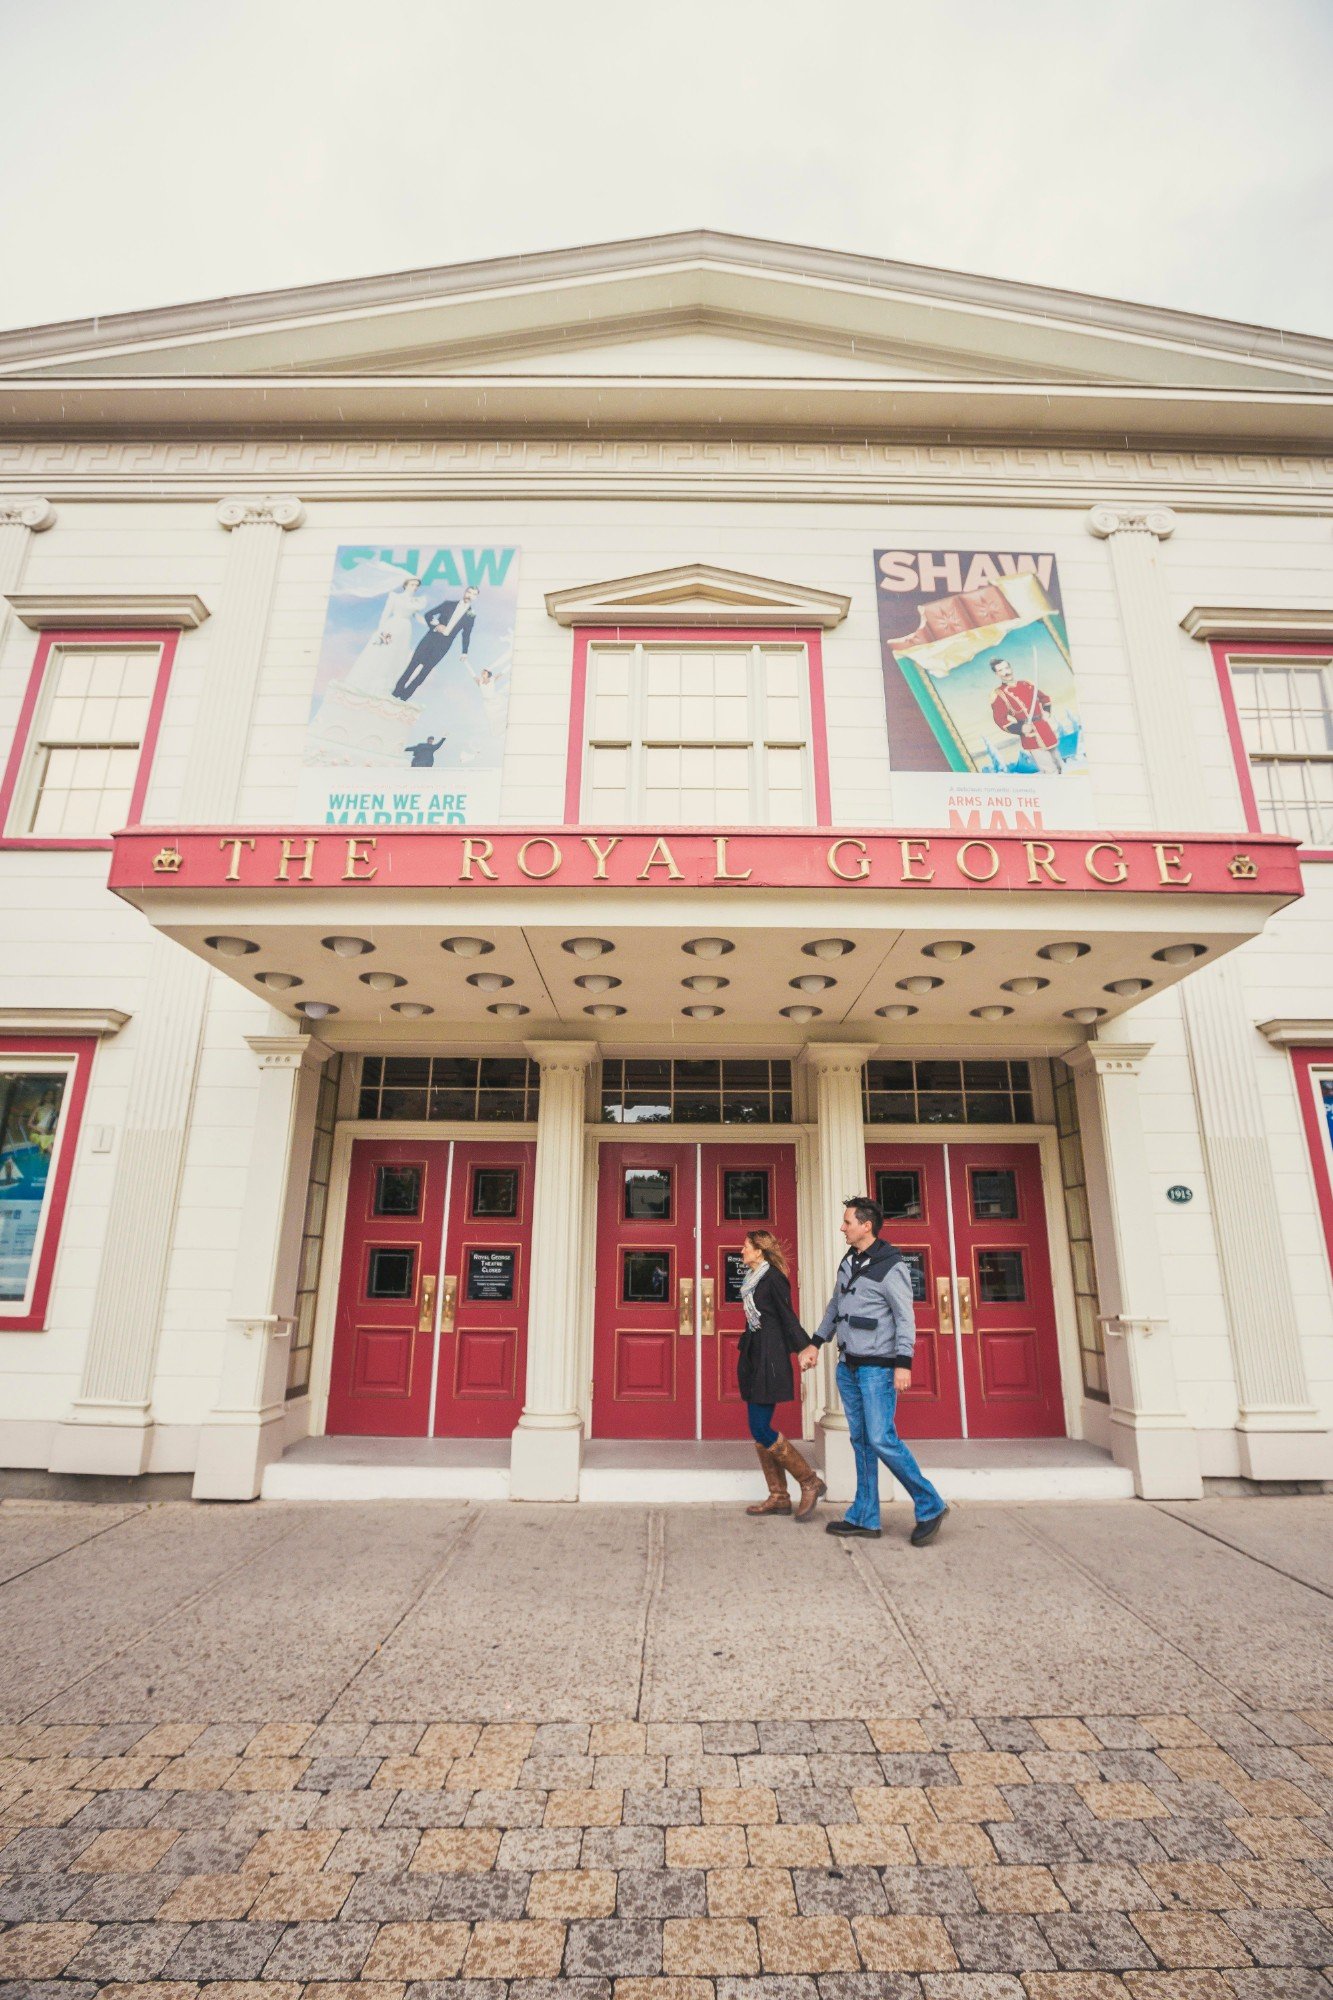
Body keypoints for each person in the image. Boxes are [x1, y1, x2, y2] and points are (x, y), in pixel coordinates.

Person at [798, 1195, 949, 1545]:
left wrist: (903, 1363)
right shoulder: (849, 1260)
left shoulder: (891, 1266)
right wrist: (816, 1342)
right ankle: (865, 1517)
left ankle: (930, 1504)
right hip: (849, 1366)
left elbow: (904, 1318)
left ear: (866, 1226)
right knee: (862, 1441)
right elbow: (836, 1305)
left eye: (848, 1222)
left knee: (881, 1438)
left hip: (878, 1369)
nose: (842, 1227)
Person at [736, 1230, 826, 1522]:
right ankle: (778, 1496)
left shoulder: (773, 1278)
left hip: (769, 1359)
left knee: (760, 1426)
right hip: (754, 1356)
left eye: (746, 1247)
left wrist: (805, 1348)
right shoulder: (752, 1279)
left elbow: (788, 1317)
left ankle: (809, 1481)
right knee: (758, 1428)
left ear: (759, 1251)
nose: (741, 1251)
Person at [341, 574, 424, 700]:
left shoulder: (415, 602)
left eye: (416, 585)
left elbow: (417, 616)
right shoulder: (395, 597)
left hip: (405, 630)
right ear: (406, 585)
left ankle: (384, 688)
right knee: (381, 652)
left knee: (396, 657)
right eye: (412, 584)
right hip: (392, 627)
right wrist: (381, 630)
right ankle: (367, 683)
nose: (414, 587)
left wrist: (432, 623)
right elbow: (386, 613)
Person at [393, 587, 480, 702]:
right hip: (430, 639)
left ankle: (404, 697)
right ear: (465, 592)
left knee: (424, 673)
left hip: (443, 646)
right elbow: (428, 615)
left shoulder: (471, 615)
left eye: (474, 594)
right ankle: (395, 693)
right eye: (469, 592)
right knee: (412, 666)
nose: (470, 595)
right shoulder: (448, 604)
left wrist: (464, 652)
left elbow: (466, 634)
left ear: (475, 597)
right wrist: (436, 625)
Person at [989, 655, 1064, 774]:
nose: (1006, 672)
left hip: (1045, 728)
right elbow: (1000, 720)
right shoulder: (1000, 695)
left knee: (1060, 764)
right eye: (1001, 670)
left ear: (1011, 668)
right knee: (1050, 771)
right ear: (996, 674)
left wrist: (1046, 711)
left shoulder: (1026, 684)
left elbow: (1045, 698)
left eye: (1007, 668)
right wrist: (1021, 728)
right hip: (1030, 735)